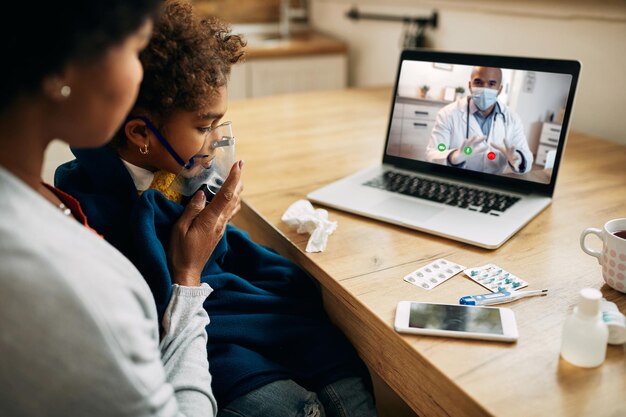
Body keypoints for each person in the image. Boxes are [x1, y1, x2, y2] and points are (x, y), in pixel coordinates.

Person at [54, 2, 378, 417]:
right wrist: (190, 258)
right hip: (196, 337)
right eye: (204, 127)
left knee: (344, 376)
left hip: (230, 310)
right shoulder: (92, 205)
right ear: (140, 134)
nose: (215, 142)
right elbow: (152, 311)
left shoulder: (174, 171)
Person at [0, 1, 249, 416]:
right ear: (64, 65)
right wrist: (188, 279)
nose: (141, 74)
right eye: (134, 49)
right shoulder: (68, 281)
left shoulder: (37, 200)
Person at [426, 66, 533, 175]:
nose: (484, 89)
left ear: (499, 89)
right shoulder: (447, 114)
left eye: (491, 84)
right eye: (478, 82)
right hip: (458, 178)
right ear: (469, 85)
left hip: (494, 182)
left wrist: (518, 158)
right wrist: (454, 157)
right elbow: (433, 153)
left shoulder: (512, 118)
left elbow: (527, 156)